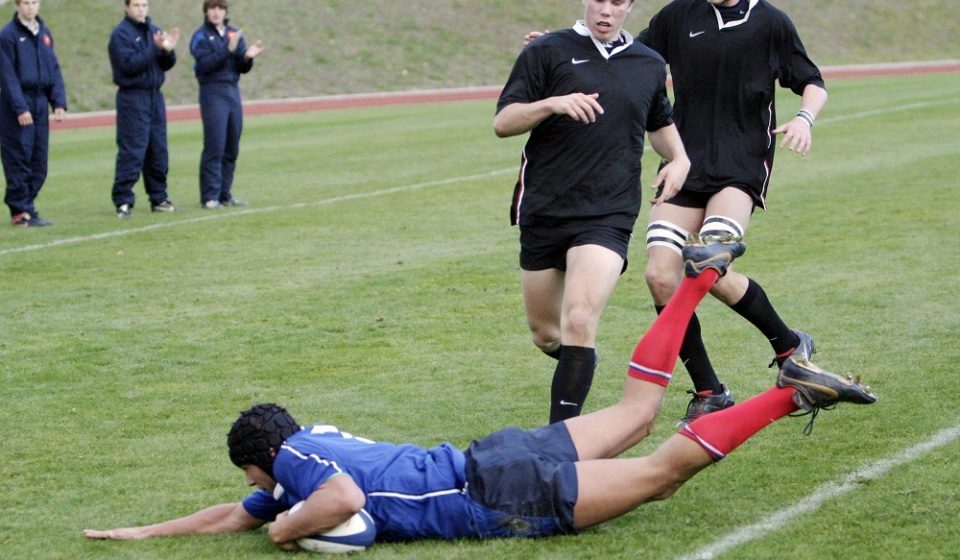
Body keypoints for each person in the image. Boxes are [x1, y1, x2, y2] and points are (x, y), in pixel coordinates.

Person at [83, 237, 876, 548]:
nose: (253, 493)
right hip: (498, 451)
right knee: (638, 414)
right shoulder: (307, 441)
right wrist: (144, 533)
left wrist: (285, 534)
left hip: (501, 489)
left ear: (261, 459)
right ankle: (697, 282)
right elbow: (233, 513)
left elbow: (335, 500)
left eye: (251, 478)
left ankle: (790, 396)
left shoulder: (298, 468)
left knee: (663, 472)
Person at [528, 0, 830, 425]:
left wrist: (804, 118)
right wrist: (558, 48)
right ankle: (712, 389)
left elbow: (812, 82)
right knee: (660, 276)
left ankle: (787, 346)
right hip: (684, 162)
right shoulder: (678, 15)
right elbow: (622, 53)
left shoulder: (770, 22)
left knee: (709, 263)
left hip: (740, 164)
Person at [495, 0, 690, 424]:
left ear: (630, 6)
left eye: (617, 2)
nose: (606, 10)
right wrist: (552, 104)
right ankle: (578, 364)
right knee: (547, 335)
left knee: (580, 318)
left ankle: (559, 444)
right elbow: (504, 121)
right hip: (545, 208)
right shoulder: (546, 50)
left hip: (609, 210)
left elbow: (658, 124)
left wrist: (679, 159)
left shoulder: (649, 63)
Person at [108, 0, 179, 219]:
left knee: (158, 149)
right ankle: (123, 200)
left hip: (154, 97)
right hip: (133, 97)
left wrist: (168, 51)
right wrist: (154, 48)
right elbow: (128, 65)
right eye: (136, 5)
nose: (141, 9)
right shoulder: (120, 34)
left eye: (144, 5)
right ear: (127, 7)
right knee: (133, 150)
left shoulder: (154, 29)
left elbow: (165, 64)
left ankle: (158, 197)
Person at [189, 0, 263, 209]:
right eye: (212, 8)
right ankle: (209, 196)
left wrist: (248, 57)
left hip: (232, 91)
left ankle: (224, 194)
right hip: (212, 91)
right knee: (215, 145)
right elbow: (205, 64)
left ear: (226, 12)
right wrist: (227, 49)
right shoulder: (200, 36)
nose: (216, 12)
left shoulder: (233, 33)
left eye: (220, 8)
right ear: (206, 11)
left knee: (232, 145)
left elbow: (240, 67)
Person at [0, 0, 66, 228]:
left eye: (34, 2)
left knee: (39, 162)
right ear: (18, 5)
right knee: (19, 158)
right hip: (18, 105)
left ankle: (27, 206)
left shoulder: (44, 33)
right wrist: (20, 107)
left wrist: (58, 101)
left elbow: (53, 68)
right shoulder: (7, 35)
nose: (30, 7)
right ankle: (20, 211)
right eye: (26, 2)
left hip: (39, 104)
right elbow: (7, 76)